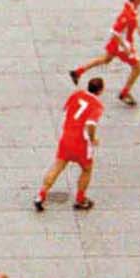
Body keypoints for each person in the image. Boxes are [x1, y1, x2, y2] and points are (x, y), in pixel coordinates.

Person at [36, 77, 104, 212]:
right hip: (81, 143)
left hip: (67, 137)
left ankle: (41, 195)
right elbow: (91, 124)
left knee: (58, 166)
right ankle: (81, 199)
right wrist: (93, 138)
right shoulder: (97, 105)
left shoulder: (76, 95)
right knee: (87, 169)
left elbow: (66, 110)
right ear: (101, 91)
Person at [71, 0, 140, 106]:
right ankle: (125, 93)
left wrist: (139, 28)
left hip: (118, 44)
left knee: (106, 59)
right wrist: (125, 48)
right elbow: (115, 31)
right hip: (123, 45)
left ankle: (78, 72)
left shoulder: (132, 8)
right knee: (138, 68)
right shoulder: (126, 14)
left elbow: (135, 18)